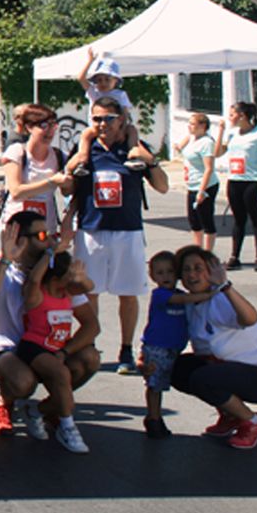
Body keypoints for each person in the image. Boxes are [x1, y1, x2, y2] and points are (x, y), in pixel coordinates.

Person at [0, 212, 101, 441]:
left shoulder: (57, 273)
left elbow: (91, 325)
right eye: (42, 235)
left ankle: (47, 409)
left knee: (89, 358)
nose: (51, 241)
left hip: (45, 349)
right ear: (20, 240)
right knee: (23, 383)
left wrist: (64, 352)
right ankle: (5, 401)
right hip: (4, 349)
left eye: (51, 234)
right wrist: (6, 260)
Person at [67, 96, 169, 374]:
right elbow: (67, 188)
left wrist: (149, 160)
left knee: (128, 292)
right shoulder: (86, 148)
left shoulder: (133, 147)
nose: (102, 124)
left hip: (128, 230)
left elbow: (162, 186)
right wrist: (75, 162)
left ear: (121, 119)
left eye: (108, 119)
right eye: (97, 118)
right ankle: (91, 344)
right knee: (91, 292)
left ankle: (126, 348)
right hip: (91, 230)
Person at [171, 247, 257, 449]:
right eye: (186, 269)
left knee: (204, 379)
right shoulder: (192, 303)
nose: (192, 274)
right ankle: (231, 416)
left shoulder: (219, 299)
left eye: (198, 268)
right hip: (232, 369)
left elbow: (250, 318)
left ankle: (254, 423)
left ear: (211, 271)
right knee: (178, 368)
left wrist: (226, 286)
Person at [18, 249, 89, 454]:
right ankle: (67, 427)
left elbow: (89, 287)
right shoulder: (37, 294)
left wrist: (65, 352)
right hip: (34, 347)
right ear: (56, 278)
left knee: (85, 361)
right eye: (68, 274)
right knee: (61, 373)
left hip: (58, 349)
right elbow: (33, 280)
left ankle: (37, 411)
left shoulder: (68, 293)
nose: (72, 278)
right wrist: (50, 253)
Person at [139, 251, 200, 439]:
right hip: (157, 347)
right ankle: (154, 417)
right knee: (155, 385)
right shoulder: (160, 295)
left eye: (170, 272)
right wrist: (207, 294)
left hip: (173, 349)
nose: (165, 276)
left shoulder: (181, 294)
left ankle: (155, 417)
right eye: (160, 273)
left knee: (161, 383)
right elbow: (182, 300)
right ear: (152, 276)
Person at [0, 103, 72, 240]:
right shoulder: (17, 152)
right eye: (43, 126)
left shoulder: (59, 155)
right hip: (17, 228)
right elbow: (16, 192)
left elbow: (67, 191)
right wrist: (51, 181)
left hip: (46, 228)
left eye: (53, 125)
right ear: (29, 127)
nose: (49, 131)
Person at [216, 102, 257, 271]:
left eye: (232, 114)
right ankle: (235, 256)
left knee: (255, 218)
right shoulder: (232, 134)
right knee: (238, 219)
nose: (230, 117)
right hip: (235, 180)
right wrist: (220, 132)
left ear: (242, 116)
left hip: (253, 180)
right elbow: (218, 152)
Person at [174, 113, 224, 255]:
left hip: (205, 185)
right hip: (192, 184)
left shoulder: (207, 143)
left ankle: (207, 254)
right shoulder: (191, 138)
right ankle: (197, 250)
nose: (189, 127)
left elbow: (209, 168)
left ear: (203, 126)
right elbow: (179, 148)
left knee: (206, 219)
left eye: (192, 124)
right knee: (194, 220)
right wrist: (179, 145)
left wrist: (202, 191)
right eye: (189, 123)